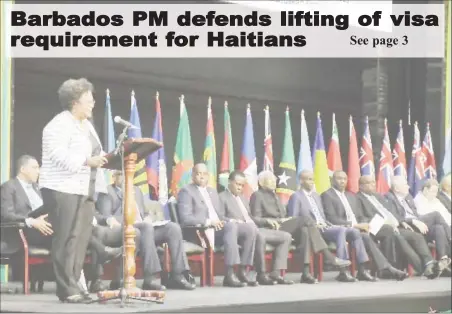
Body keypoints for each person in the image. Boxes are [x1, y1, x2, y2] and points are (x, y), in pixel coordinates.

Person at [1, 155, 121, 299]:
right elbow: (5, 215)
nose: (38, 171)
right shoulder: (8, 187)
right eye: (34, 168)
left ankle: (79, 281)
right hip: (26, 231)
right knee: (70, 227)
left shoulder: (38, 188)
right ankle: (102, 252)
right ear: (22, 169)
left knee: (73, 225)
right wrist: (31, 221)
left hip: (48, 228)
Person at [38, 78, 110, 303]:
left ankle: (77, 285)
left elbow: (96, 152)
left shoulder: (86, 125)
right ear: (74, 102)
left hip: (84, 189)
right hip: (62, 189)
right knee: (66, 239)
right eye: (88, 100)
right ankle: (66, 289)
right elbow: (58, 156)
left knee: (80, 239)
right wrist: (87, 161)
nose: (93, 104)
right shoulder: (58, 125)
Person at [96, 170, 195, 291]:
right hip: (124, 230)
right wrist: (124, 220)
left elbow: (143, 213)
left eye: (127, 174)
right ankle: (150, 278)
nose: (125, 177)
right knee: (145, 228)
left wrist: (148, 217)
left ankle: (178, 274)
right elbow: (106, 216)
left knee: (173, 228)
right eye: (121, 174)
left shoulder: (136, 190)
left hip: (144, 229)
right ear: (114, 177)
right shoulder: (107, 192)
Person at [250, 170, 351, 284]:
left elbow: (285, 216)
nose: (275, 182)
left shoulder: (275, 195)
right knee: (306, 219)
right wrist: (272, 220)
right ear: (261, 182)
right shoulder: (257, 195)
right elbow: (255, 218)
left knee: (305, 231)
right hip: (271, 228)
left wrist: (285, 219)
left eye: (275, 180)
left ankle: (303, 273)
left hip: (283, 226)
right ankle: (329, 257)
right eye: (271, 180)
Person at [177, 163, 258, 288]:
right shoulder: (186, 191)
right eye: (198, 174)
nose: (201, 177)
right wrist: (209, 222)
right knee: (230, 228)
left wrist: (232, 220)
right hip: (200, 231)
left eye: (204, 174)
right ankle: (229, 274)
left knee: (249, 228)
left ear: (208, 176)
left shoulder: (212, 191)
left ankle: (242, 270)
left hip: (218, 229)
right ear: (192, 175)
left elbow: (220, 216)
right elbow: (185, 218)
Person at [320, 171, 407, 281]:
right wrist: (355, 225)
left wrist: (367, 224)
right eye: (339, 178)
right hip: (341, 230)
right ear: (332, 180)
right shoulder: (327, 195)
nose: (342, 181)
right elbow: (331, 219)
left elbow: (360, 216)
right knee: (364, 236)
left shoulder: (350, 196)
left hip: (359, 228)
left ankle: (366, 271)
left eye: (344, 179)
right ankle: (383, 268)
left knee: (386, 231)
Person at [219, 170, 294, 286]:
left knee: (286, 236)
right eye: (237, 184)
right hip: (236, 230)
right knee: (255, 232)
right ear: (229, 182)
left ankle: (269, 272)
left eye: (242, 185)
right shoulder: (222, 197)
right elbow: (220, 217)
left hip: (252, 227)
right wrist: (234, 221)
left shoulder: (243, 198)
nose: (240, 188)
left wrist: (267, 221)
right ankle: (261, 273)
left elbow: (251, 218)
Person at [386, 175, 451, 276]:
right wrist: (413, 221)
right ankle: (450, 237)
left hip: (418, 223)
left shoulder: (408, 197)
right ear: (397, 188)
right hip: (408, 225)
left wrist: (416, 220)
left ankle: (443, 260)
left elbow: (416, 214)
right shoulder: (389, 197)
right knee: (436, 215)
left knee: (439, 228)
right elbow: (394, 216)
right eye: (405, 184)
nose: (408, 186)